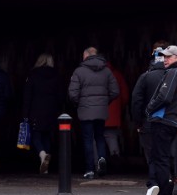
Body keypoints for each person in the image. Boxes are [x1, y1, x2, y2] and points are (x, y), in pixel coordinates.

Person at [141, 45, 177, 195]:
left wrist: (149, 108)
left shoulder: (173, 73)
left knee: (159, 158)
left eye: (169, 57)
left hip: (163, 121)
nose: (165, 59)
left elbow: (164, 96)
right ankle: (158, 189)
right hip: (173, 122)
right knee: (162, 157)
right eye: (164, 56)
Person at [68, 46, 120, 179]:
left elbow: (72, 93)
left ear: (85, 56)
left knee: (87, 139)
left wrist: (79, 104)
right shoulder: (107, 71)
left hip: (85, 110)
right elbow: (115, 91)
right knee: (100, 137)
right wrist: (104, 102)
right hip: (101, 110)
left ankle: (90, 169)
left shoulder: (79, 71)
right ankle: (101, 159)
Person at [131, 42, 170, 169]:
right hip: (171, 121)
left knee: (151, 153)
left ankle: (155, 181)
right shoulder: (175, 76)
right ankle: (169, 177)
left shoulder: (145, 77)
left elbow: (137, 101)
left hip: (149, 122)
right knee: (166, 151)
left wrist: (138, 123)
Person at [21, 53, 62, 173]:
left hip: (35, 110)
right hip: (51, 110)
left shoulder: (32, 75)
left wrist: (25, 114)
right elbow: (60, 96)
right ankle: (45, 167)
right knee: (47, 137)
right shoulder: (56, 75)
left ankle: (42, 155)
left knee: (36, 136)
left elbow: (27, 96)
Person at [104, 58, 131, 164]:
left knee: (96, 139)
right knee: (112, 137)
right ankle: (115, 162)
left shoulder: (91, 74)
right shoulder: (116, 74)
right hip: (112, 115)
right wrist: (120, 108)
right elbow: (125, 96)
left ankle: (97, 165)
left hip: (94, 113)